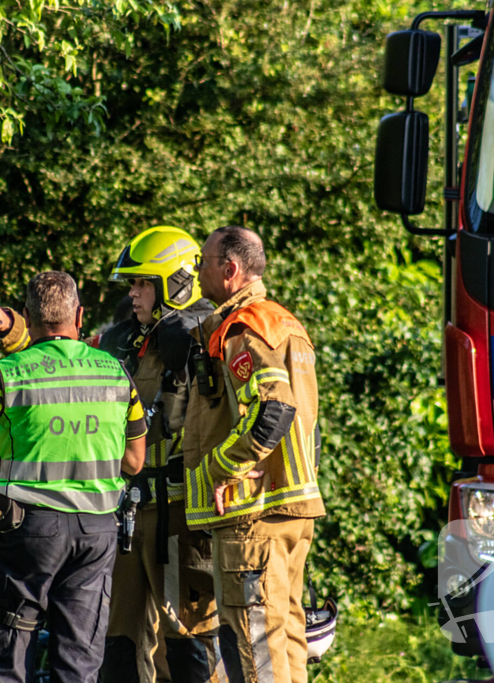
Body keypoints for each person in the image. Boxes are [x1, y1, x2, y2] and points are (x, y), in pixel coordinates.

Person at [0, 226, 227, 683]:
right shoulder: (124, 340)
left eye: (141, 283)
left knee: (186, 651)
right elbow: (60, 356)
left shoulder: (215, 341)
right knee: (114, 650)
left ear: (175, 283)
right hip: (122, 516)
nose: (133, 293)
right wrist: (12, 329)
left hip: (183, 519)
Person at [0, 271, 148, 683]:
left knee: (9, 662)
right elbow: (135, 461)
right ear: (79, 316)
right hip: (96, 534)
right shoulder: (116, 374)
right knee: (79, 665)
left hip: (27, 533)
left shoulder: (12, 372)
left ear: (26, 317)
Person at [183, 226, 324, 683]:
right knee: (287, 642)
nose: (196, 271)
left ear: (230, 270)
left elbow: (275, 405)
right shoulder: (287, 323)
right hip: (293, 511)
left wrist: (223, 468)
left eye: (203, 261)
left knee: (253, 649)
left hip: (253, 519)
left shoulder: (242, 328)